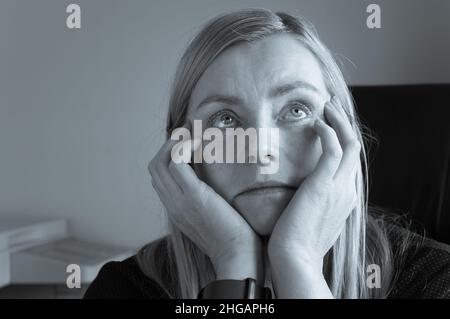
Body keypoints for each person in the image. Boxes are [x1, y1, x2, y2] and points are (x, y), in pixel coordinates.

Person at [84, 8, 450, 299]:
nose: (261, 153)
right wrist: (234, 262)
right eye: (225, 119)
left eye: (295, 110)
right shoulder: (126, 289)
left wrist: (298, 263)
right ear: (183, 153)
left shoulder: (434, 279)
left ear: (343, 133)